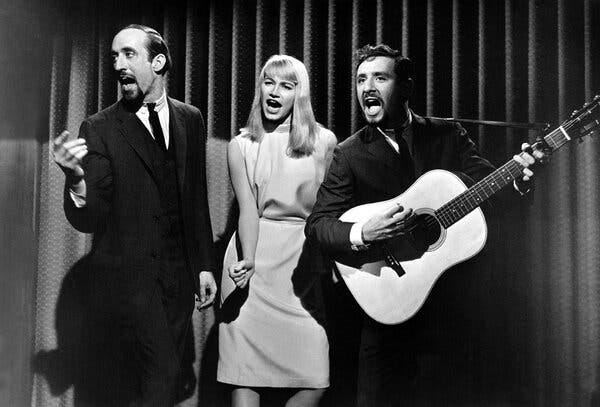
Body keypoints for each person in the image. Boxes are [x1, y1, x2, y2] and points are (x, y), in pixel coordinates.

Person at [305, 44, 545, 407]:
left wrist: (518, 181)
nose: (367, 87)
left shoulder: (447, 135)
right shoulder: (349, 153)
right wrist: (363, 232)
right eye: (361, 80)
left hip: (451, 315)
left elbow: (488, 193)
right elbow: (318, 225)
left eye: (380, 78)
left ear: (405, 87)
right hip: (387, 315)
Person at [52, 24, 217, 406]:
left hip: (176, 286)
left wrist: (204, 266)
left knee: (161, 387)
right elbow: (91, 217)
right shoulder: (100, 127)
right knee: (154, 383)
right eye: (114, 56)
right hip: (127, 290)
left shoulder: (190, 119)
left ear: (157, 62)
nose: (118, 64)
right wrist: (76, 177)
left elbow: (195, 199)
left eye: (128, 54)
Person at [217, 55, 337, 407]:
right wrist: (249, 260)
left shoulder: (325, 142)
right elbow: (248, 211)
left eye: (286, 86)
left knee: (315, 378)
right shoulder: (240, 146)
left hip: (301, 265)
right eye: (268, 82)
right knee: (246, 375)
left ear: (300, 95)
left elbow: (330, 210)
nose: (274, 92)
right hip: (252, 266)